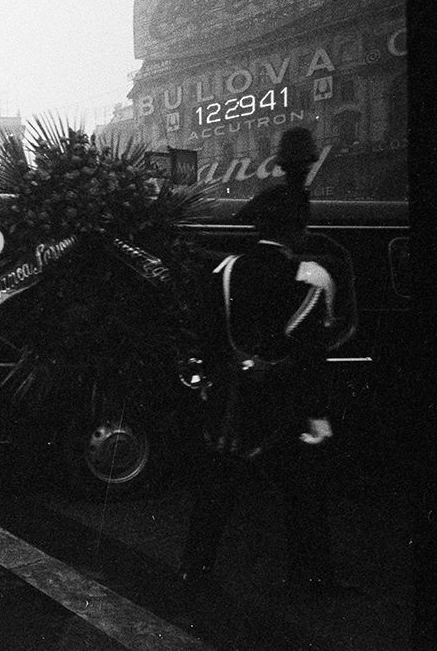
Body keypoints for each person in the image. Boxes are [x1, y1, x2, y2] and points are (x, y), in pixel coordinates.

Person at [179, 180, 350, 592]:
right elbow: (312, 354)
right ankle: (311, 580)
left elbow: (209, 338)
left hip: (234, 404)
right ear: (298, 230)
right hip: (286, 405)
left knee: (217, 490)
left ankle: (194, 573)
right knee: (302, 496)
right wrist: (318, 415)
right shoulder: (311, 276)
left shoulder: (224, 271)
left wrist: (218, 386)